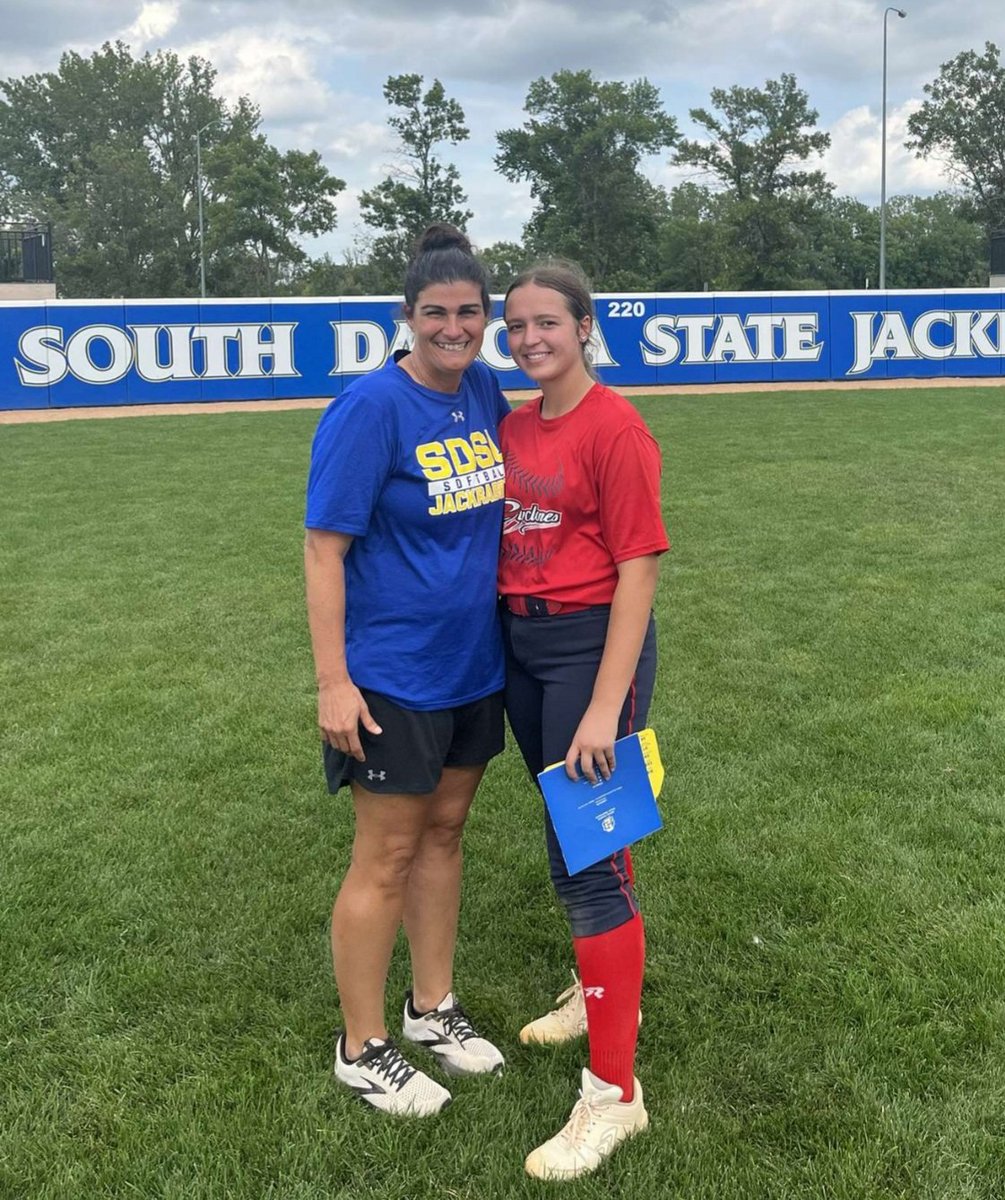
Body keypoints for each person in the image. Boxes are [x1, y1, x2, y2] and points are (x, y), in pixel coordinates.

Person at [304, 224, 510, 1117]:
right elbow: (321, 550)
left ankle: (431, 1007)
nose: (453, 328)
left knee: (445, 833)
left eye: (468, 312)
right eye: (436, 313)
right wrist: (333, 681)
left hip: (473, 666)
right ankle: (361, 1046)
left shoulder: (486, 392)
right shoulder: (370, 408)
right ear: (407, 316)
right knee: (385, 851)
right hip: (390, 673)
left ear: (486, 317)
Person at [498, 261, 669, 1179]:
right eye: (515, 325)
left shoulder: (615, 427)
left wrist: (605, 706)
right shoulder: (515, 423)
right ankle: (603, 994)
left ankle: (614, 1096)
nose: (528, 339)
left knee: (587, 860)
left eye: (545, 324)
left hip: (591, 650)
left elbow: (639, 567)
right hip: (524, 650)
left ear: (584, 328)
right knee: (583, 836)